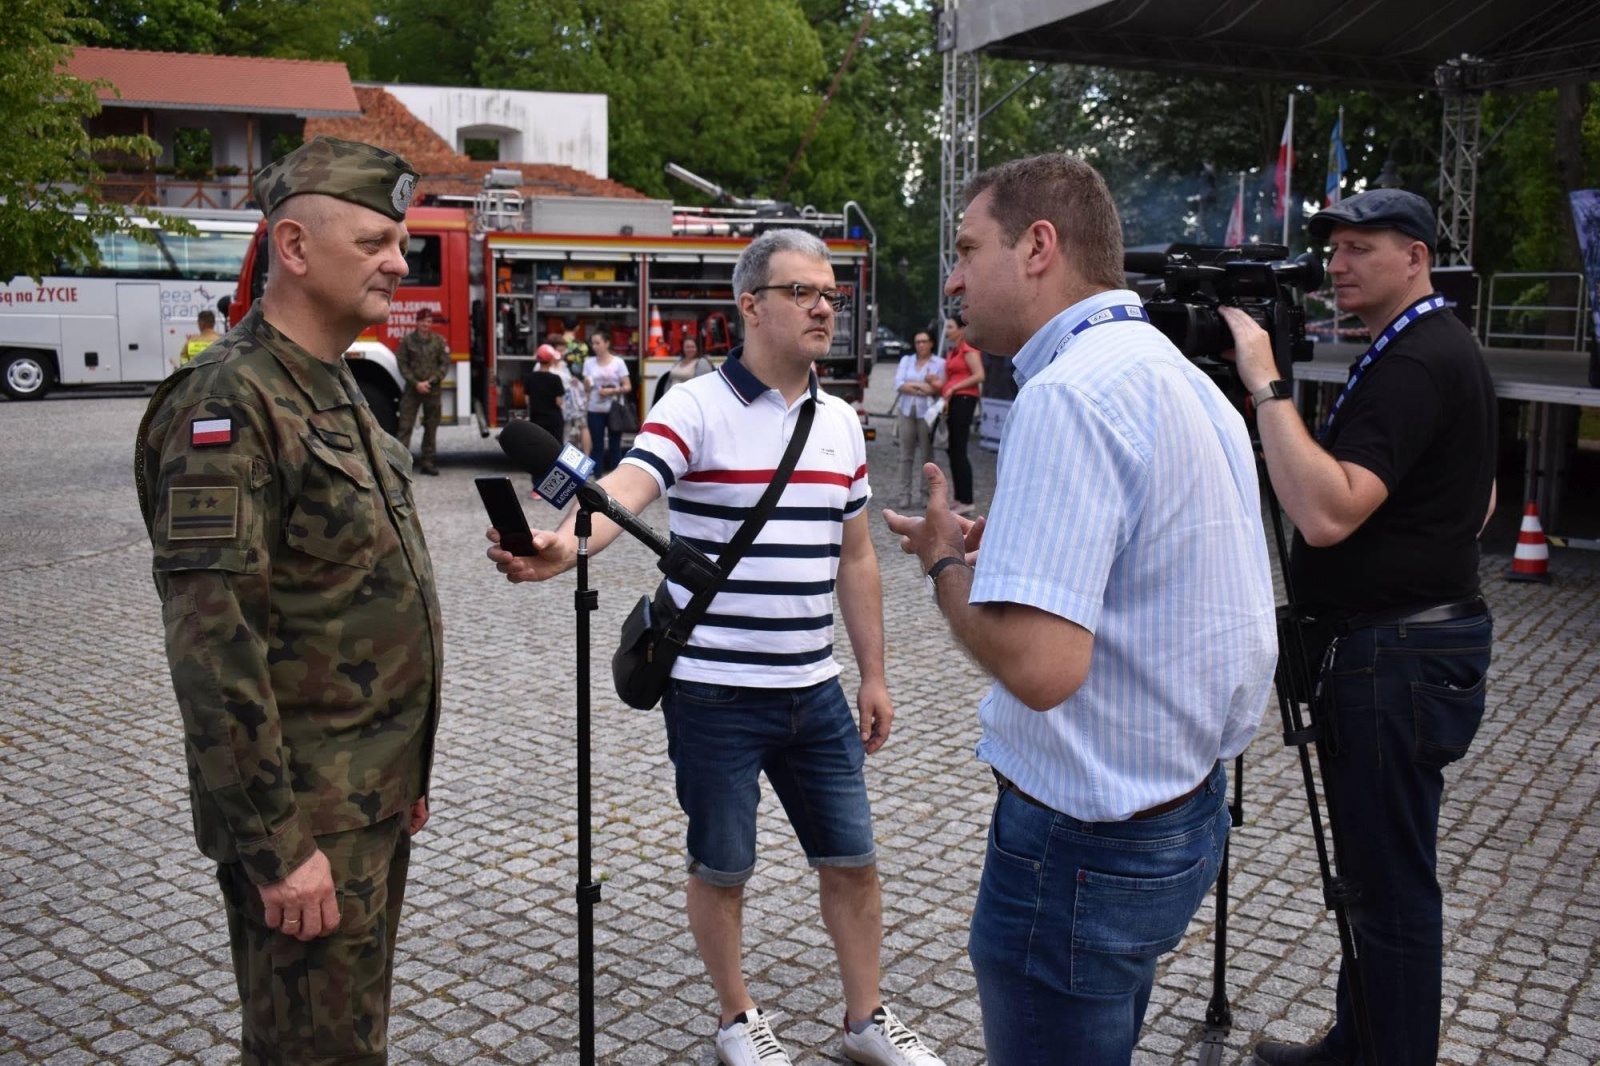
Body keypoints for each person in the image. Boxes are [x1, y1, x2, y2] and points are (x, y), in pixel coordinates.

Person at [487, 228, 945, 1066]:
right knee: (723, 866)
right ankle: (738, 1021)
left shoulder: (840, 421)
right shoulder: (692, 406)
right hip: (713, 693)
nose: (822, 309)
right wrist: (562, 545)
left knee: (853, 860)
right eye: (802, 293)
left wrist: (873, 673)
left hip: (815, 690)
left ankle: (865, 1021)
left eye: (831, 298)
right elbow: (625, 492)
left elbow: (857, 555)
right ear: (751, 304)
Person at [883, 153, 1277, 1065]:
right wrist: (1015, 542)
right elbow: (1154, 567)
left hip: (1082, 844)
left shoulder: (1067, 392)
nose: (952, 275)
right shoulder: (1180, 378)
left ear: (1039, 247)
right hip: (1181, 809)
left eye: (967, 246)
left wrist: (946, 561)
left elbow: (1041, 668)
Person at [133, 135, 442, 1066]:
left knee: (347, 1045)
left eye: (401, 241)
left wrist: (401, 775)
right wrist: (276, 844)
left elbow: (351, 594)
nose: (399, 261)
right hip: (304, 819)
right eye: (376, 241)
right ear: (295, 248)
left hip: (366, 801)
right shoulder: (228, 403)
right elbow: (214, 651)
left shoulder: (339, 385)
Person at [1221, 189, 1496, 1066]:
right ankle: (1360, 1041)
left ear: (1415, 255)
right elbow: (1477, 500)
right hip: (1407, 646)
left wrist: (1265, 382)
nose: (1337, 264)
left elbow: (1326, 513)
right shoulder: (1431, 348)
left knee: (1390, 891)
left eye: (1360, 248)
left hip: (1397, 655)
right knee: (1375, 881)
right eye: (1332, 249)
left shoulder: (1416, 359)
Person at [395, 306, 451, 474]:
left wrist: (431, 381)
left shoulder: (438, 342)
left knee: (431, 427)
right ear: (417, 322)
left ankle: (427, 462)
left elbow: (444, 364)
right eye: (422, 321)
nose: (425, 324)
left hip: (432, 391)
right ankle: (400, 464)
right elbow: (402, 363)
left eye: (428, 321)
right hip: (412, 390)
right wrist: (416, 383)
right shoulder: (407, 341)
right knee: (405, 426)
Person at [892, 331, 944, 510]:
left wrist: (912, 386)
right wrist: (923, 387)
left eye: (924, 341)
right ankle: (904, 494)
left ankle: (925, 494)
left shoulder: (940, 363)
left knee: (927, 455)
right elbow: (898, 384)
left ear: (931, 343)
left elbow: (937, 388)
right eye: (917, 342)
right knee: (905, 455)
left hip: (927, 413)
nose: (920, 345)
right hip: (906, 410)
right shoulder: (906, 360)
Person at [938, 316, 985, 514]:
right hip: (953, 401)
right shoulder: (953, 351)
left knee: (959, 449)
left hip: (965, 400)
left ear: (960, 329)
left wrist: (954, 387)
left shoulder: (968, 348)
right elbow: (948, 379)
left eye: (950, 327)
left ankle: (967, 499)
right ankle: (959, 498)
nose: (946, 330)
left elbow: (979, 375)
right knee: (952, 450)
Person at [582, 329, 631, 472]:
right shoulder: (589, 362)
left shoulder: (618, 362)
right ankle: (597, 477)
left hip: (614, 408)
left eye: (598, 343)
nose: (594, 346)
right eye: (593, 343)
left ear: (607, 343)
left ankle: (616, 474)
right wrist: (585, 384)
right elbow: (587, 388)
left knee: (615, 443)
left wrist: (612, 391)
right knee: (597, 445)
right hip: (594, 408)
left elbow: (627, 386)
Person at [653, 331, 715, 405]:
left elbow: (701, 387)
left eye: (692, 347)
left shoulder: (702, 362)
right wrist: (665, 397)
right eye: (687, 347)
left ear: (697, 348)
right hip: (672, 401)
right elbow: (669, 381)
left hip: (688, 403)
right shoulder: (679, 361)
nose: (689, 349)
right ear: (683, 348)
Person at [523, 342, 568, 443]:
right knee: (554, 448)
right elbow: (559, 402)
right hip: (553, 420)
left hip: (536, 419)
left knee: (538, 447)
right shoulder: (556, 379)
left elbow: (527, 400)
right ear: (551, 361)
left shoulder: (529, 378)